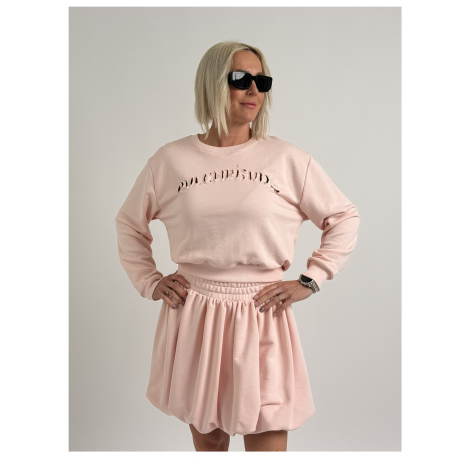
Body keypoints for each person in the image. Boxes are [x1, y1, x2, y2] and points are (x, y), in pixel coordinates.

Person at [115, 41, 360, 452]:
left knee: (268, 436)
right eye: (240, 79)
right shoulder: (171, 160)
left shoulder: (286, 159)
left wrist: (311, 279)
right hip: (196, 312)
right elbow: (129, 223)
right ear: (212, 83)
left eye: (262, 81)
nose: (253, 90)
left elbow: (343, 217)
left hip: (262, 312)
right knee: (209, 443)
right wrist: (150, 280)